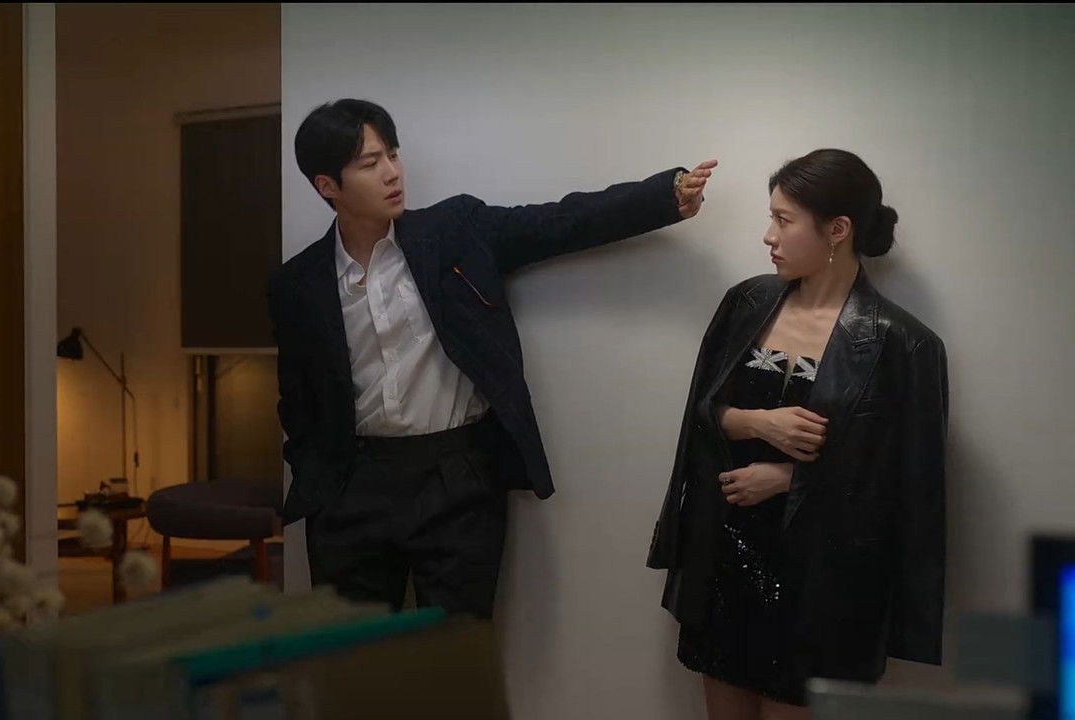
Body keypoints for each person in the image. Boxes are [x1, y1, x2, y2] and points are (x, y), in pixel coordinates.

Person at [269, 97, 716, 619]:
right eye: (371, 163)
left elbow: (558, 222)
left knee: (457, 652)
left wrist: (663, 196)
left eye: (393, 154)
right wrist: (321, 480)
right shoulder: (296, 284)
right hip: (352, 488)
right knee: (352, 656)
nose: (392, 172)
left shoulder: (454, 231)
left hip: (456, 477)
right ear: (328, 185)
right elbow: (297, 398)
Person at [647, 149, 949, 718]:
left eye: (784, 220)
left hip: (822, 581)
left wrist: (793, 479)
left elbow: (911, 489)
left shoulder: (903, 344)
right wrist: (753, 421)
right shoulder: (747, 302)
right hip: (724, 559)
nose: (769, 235)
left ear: (838, 230)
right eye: (772, 217)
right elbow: (700, 415)